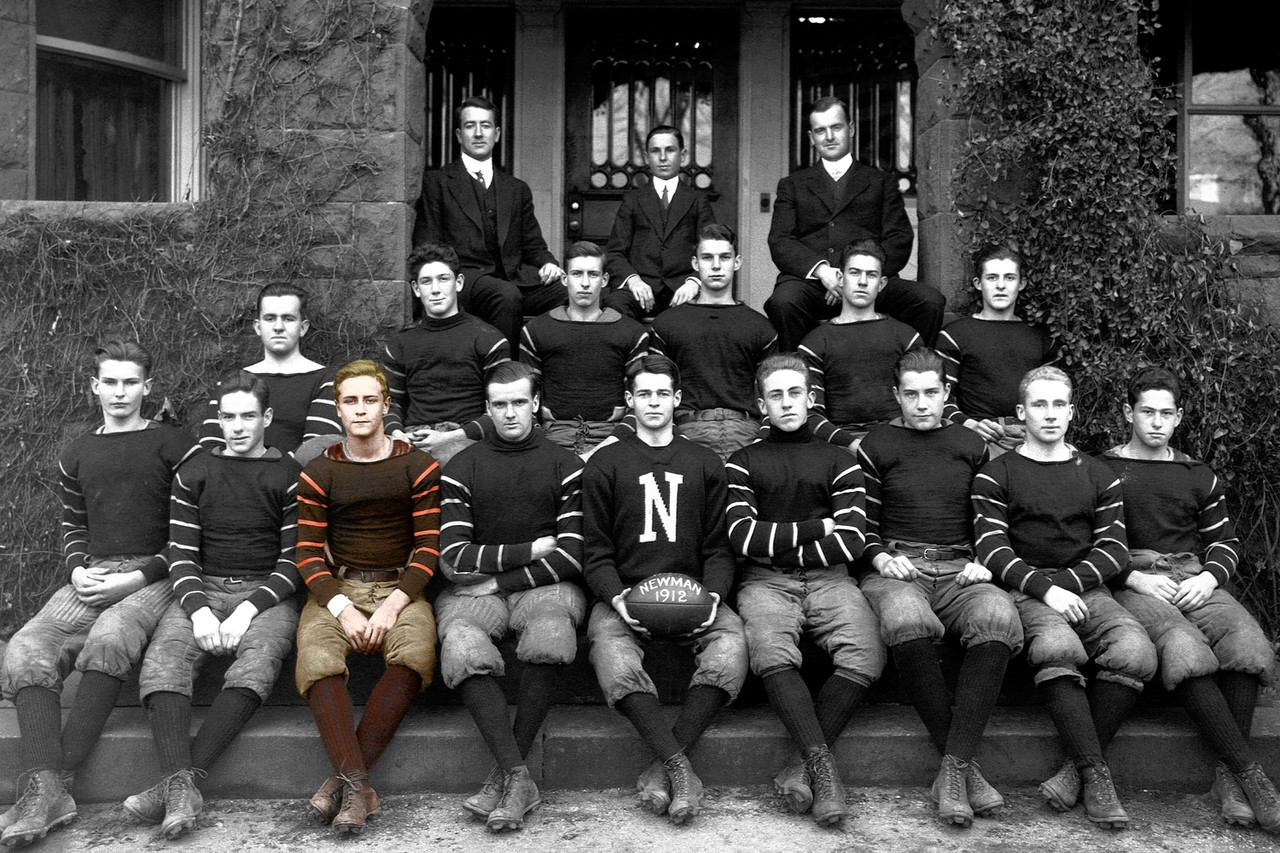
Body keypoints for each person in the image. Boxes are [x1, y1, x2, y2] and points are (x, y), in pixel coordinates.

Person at [0, 341, 199, 848]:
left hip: (156, 576)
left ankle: (52, 786)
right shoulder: (77, 451)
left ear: (147, 387)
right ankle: (47, 789)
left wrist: (140, 577)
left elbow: (193, 531)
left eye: (130, 382)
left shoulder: (175, 445)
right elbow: (74, 524)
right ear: (94, 386)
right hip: (93, 572)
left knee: (111, 635)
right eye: (110, 381)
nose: (120, 392)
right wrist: (75, 569)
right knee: (26, 646)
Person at [971, 366, 1156, 829]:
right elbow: (992, 549)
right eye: (1039, 404)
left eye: (1059, 405)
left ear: (1072, 412)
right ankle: (1096, 776)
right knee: (1058, 647)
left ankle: (1074, 770)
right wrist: (1045, 589)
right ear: (1021, 412)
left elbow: (1113, 550)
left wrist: (1066, 585)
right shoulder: (995, 474)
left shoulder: (1097, 473)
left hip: (1086, 589)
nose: (1050, 414)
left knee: (1136, 650)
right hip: (1027, 589)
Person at [123, 371, 303, 839]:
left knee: (258, 660)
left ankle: (177, 785)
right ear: (217, 419)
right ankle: (181, 788)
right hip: (203, 587)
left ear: (266, 417)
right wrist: (200, 609)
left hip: (267, 593)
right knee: (164, 660)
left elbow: (295, 561)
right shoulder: (195, 472)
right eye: (228, 417)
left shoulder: (288, 474)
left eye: (248, 416)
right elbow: (181, 555)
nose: (238, 427)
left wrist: (247, 609)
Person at [1103, 367, 1279, 833]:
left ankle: (1228, 780)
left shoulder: (1197, 474)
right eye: (1147, 412)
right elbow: (1085, 541)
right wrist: (1132, 577)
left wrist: (1209, 578)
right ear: (1128, 413)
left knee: (1248, 643)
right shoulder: (1102, 469)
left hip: (1192, 577)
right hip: (1133, 580)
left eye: (1166, 413)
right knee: (1183, 646)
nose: (1156, 422)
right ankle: (1250, 774)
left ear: (1179, 416)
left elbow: (1224, 542)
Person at [856, 347, 1021, 826]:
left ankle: (952, 769)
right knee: (906, 618)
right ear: (896, 395)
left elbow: (994, 516)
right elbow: (859, 522)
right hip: (898, 565)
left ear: (947, 392)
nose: (922, 403)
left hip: (961, 568)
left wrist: (985, 561)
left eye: (932, 392)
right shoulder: (876, 445)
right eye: (911, 394)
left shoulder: (972, 445)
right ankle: (963, 770)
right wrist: (880, 557)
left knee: (998, 615)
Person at [582, 355, 747, 825]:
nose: (653, 402)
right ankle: (679, 766)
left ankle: (663, 767)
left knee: (733, 643)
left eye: (662, 394)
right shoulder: (606, 463)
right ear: (629, 401)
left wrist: (712, 597)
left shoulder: (705, 462)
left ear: (676, 399)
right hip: (628, 593)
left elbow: (719, 548)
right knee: (609, 650)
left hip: (692, 592)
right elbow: (596, 552)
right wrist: (618, 598)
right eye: (644, 394)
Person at [726, 354, 883, 827]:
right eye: (776, 395)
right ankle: (824, 770)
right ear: (761, 405)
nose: (787, 402)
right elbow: (742, 538)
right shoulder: (743, 461)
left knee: (866, 651)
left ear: (811, 398)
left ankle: (803, 765)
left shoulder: (840, 460)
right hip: (765, 581)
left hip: (831, 579)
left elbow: (852, 541)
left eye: (795, 392)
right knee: (770, 649)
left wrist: (777, 540)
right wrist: (817, 527)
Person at [437, 361, 586, 832]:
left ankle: (505, 776)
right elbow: (455, 557)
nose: (510, 413)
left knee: (550, 633)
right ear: (488, 408)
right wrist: (530, 550)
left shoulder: (566, 464)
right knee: (462, 644)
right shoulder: (463, 466)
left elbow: (573, 555)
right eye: (499, 405)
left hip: (544, 586)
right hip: (478, 589)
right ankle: (519, 777)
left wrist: (499, 579)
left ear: (536, 403)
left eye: (519, 402)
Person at [293, 360, 440, 834]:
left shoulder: (418, 465)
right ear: (337, 410)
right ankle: (359, 787)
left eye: (369, 400)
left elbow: (428, 548)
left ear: (386, 406)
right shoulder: (320, 471)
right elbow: (307, 554)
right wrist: (343, 609)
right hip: (340, 586)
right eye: (350, 401)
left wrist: (394, 605)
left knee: (416, 651)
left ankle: (340, 785)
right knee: (316, 656)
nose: (360, 410)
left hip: (401, 586)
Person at [764, 95, 945, 351]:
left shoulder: (881, 182)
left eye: (836, 127)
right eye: (820, 131)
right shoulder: (792, 185)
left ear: (851, 128)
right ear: (811, 137)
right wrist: (823, 272)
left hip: (871, 281)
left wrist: (861, 276)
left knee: (929, 301)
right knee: (783, 302)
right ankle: (796, 369)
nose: (829, 136)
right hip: (814, 285)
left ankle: (914, 369)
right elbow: (780, 240)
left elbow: (899, 237)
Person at [415, 95, 564, 351]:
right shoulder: (437, 182)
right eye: (470, 126)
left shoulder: (516, 189)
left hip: (514, 278)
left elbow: (533, 245)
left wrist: (548, 263)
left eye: (485, 125)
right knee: (505, 296)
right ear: (459, 135)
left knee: (573, 292)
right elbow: (428, 245)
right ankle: (504, 372)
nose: (478, 133)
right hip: (465, 279)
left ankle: (549, 366)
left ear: (496, 134)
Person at [647, 223, 777, 460]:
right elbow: (655, 391)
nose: (716, 266)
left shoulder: (761, 327)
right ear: (695, 263)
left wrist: (761, 439)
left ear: (737, 262)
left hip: (747, 431)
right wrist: (676, 437)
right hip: (688, 431)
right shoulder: (667, 325)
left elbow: (773, 394)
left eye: (724, 257)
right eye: (707, 258)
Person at [383, 243, 511, 466]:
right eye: (426, 281)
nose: (435, 289)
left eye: (443, 279)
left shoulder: (489, 340)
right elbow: (390, 405)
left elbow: (501, 409)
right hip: (412, 438)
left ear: (458, 282)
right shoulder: (400, 344)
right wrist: (398, 434)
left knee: (449, 460)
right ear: (416, 288)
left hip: (465, 439)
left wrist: (449, 438)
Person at [520, 241, 648, 457]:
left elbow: (639, 403)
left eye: (593, 274)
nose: (585, 283)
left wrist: (610, 443)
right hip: (554, 437)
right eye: (577, 274)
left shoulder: (632, 333)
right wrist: (543, 446)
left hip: (614, 438)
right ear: (564, 279)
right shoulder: (536, 331)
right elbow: (525, 398)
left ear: (605, 280)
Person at [797, 239, 920, 450]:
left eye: (871, 275)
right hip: (838, 445)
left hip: (899, 440)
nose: (862, 282)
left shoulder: (906, 337)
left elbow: (922, 402)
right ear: (840, 278)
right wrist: (852, 444)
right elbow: (810, 413)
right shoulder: (814, 343)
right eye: (854, 273)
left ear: (881, 284)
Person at [198, 283, 344, 459]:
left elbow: (315, 449)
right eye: (270, 318)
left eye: (288, 318)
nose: (278, 327)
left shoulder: (327, 382)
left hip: (295, 475)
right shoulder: (232, 382)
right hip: (231, 474)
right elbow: (210, 446)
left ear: (303, 328)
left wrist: (270, 471)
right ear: (258, 327)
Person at [937, 245, 1057, 457]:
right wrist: (969, 424)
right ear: (978, 283)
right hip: (978, 437)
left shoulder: (1041, 337)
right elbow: (938, 396)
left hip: (1032, 437)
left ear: (1021, 283)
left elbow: (1055, 397)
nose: (1000, 286)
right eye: (992, 278)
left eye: (1009, 278)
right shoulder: (956, 334)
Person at [604, 125, 715, 320]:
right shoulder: (633, 199)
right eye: (656, 151)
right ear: (647, 157)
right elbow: (615, 252)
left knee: (703, 311)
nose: (663, 158)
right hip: (641, 288)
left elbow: (712, 250)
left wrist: (693, 282)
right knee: (615, 305)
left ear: (682, 155)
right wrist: (633, 280)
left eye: (670, 150)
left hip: (682, 288)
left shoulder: (697, 200)